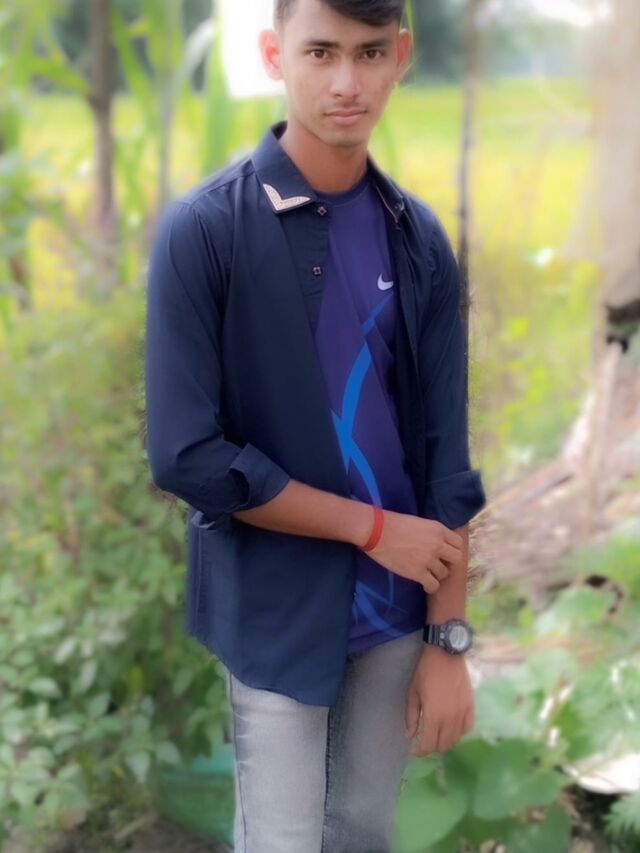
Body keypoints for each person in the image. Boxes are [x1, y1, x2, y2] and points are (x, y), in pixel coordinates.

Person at [144, 0, 487, 850]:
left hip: (398, 612)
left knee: (364, 831)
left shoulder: (420, 241)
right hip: (275, 607)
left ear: (401, 56)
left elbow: (446, 454)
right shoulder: (206, 231)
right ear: (275, 54)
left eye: (369, 53)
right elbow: (189, 456)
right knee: (283, 838)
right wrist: (373, 529)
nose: (346, 82)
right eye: (321, 51)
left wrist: (448, 637)